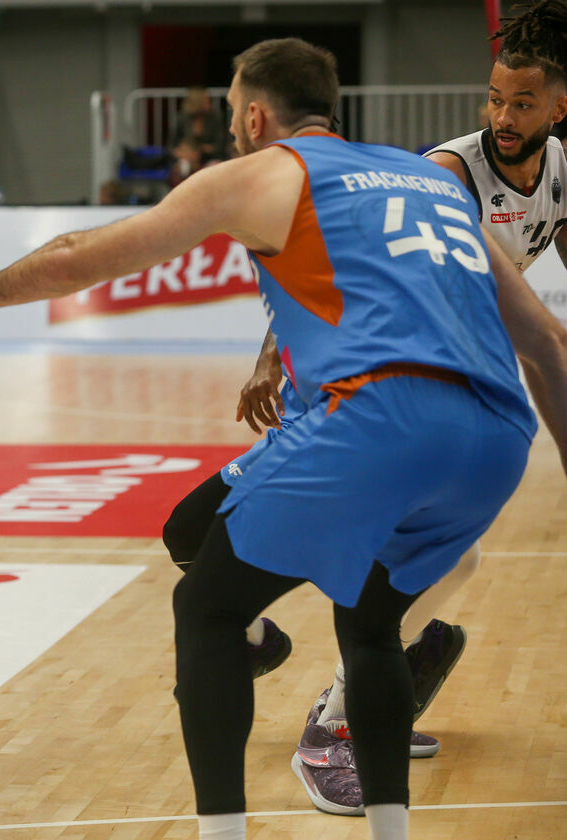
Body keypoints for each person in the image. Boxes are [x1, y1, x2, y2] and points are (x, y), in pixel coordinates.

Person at [0, 37, 567, 840]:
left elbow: (81, 256)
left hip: (381, 417)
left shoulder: (268, 170)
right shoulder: (429, 177)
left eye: (228, 114)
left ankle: (224, 829)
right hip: (496, 436)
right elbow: (547, 345)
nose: (228, 128)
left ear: (254, 116)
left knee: (206, 608)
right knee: (368, 625)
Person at [277, 0, 567, 815]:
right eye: (495, 99)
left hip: (443, 383)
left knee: (443, 561)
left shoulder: (559, 173)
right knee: (424, 561)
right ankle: (334, 720)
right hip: (376, 374)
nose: (502, 117)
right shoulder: (448, 175)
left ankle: (370, 686)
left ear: (558, 108)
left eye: (521, 103)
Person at [170, 86, 228, 161]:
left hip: (210, 158)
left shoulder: (216, 118)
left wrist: (202, 149)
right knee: (184, 165)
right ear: (197, 102)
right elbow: (171, 146)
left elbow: (221, 145)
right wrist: (183, 153)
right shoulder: (181, 118)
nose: (210, 104)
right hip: (186, 158)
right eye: (206, 101)